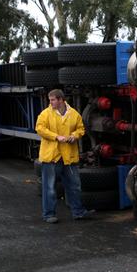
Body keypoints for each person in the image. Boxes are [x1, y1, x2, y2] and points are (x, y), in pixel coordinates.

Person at [35, 89, 94, 223]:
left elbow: (81, 129)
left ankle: (78, 212)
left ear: (61, 100)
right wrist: (56, 137)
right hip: (51, 157)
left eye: (53, 100)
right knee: (49, 188)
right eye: (50, 100)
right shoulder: (45, 114)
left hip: (69, 157)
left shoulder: (74, 114)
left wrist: (74, 136)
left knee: (75, 186)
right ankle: (49, 215)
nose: (50, 102)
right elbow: (40, 128)